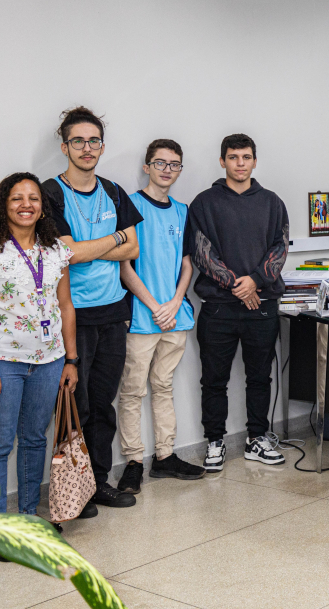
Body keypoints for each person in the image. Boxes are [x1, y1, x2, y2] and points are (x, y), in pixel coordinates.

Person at [0, 173, 79, 544]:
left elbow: (65, 305)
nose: (26, 205)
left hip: (49, 360)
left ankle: (27, 516)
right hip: (0, 361)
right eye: (16, 198)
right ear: (3, 204)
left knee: (33, 439)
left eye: (33, 198)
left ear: (43, 208)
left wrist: (71, 359)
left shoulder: (56, 251)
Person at [40, 106, 142, 513]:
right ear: (64, 146)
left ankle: (98, 482)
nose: (87, 148)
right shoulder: (50, 192)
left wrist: (91, 248)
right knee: (74, 407)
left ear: (102, 146)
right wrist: (112, 238)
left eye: (94, 140)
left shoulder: (114, 192)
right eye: (78, 141)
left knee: (103, 404)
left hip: (113, 314)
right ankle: (72, 491)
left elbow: (132, 248)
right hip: (73, 317)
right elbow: (66, 253)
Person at [187, 134, 290, 471]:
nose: (240, 163)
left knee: (260, 378)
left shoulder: (273, 202)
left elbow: (280, 248)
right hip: (219, 308)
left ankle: (256, 439)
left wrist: (255, 282)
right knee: (213, 380)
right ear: (222, 161)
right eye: (233, 157)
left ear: (255, 161)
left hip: (262, 306)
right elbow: (202, 252)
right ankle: (215, 442)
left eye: (246, 157)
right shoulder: (204, 202)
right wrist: (236, 284)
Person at [115, 140, 206, 494]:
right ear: (146, 167)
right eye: (160, 163)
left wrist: (175, 302)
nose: (167, 170)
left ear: (180, 170)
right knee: (132, 391)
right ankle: (134, 461)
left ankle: (165, 456)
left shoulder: (183, 211)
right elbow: (124, 265)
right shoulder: (130, 205)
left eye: (174, 164)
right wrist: (155, 306)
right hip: (142, 316)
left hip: (175, 316)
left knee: (163, 386)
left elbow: (188, 263)